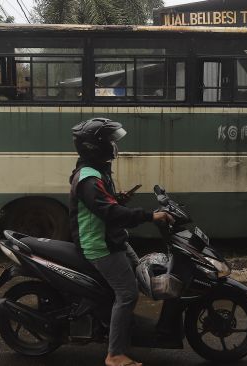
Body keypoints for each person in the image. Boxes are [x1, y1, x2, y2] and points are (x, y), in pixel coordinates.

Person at [69, 118, 174, 366]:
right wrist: (149, 215)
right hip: (99, 245)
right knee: (127, 293)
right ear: (95, 147)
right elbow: (109, 212)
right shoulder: (89, 179)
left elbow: (107, 205)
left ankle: (117, 325)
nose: (114, 146)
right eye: (110, 141)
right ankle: (114, 354)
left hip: (113, 238)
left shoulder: (98, 171)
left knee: (138, 278)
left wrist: (118, 198)